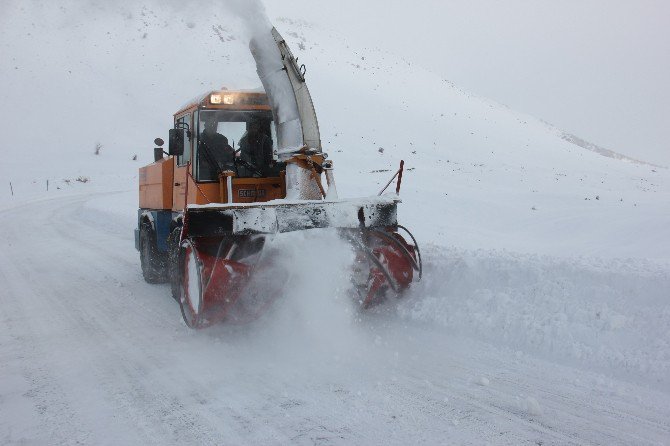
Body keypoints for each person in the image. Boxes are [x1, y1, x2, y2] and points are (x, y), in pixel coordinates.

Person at [198, 114, 235, 180]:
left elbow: (227, 154)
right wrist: (208, 164)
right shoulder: (199, 139)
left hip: (223, 173)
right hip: (204, 174)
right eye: (210, 124)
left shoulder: (222, 139)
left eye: (215, 124)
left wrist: (231, 153)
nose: (213, 126)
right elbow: (197, 158)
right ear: (205, 125)